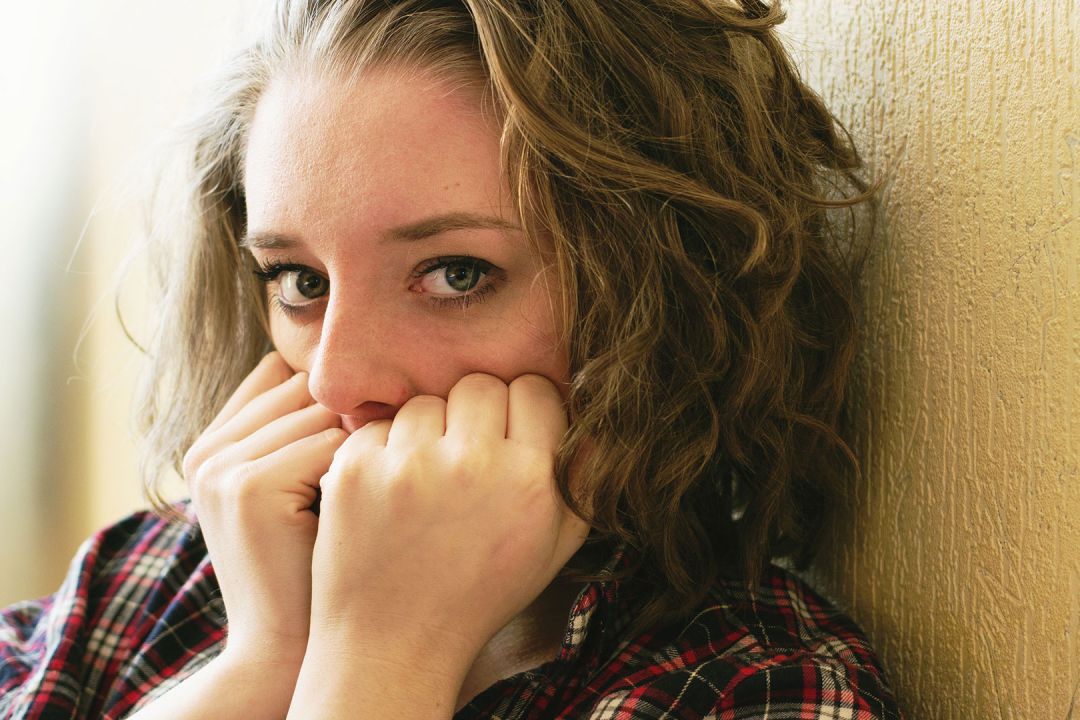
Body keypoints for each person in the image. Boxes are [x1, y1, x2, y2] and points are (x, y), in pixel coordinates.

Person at [0, 0, 904, 717]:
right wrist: (264, 661)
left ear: (665, 289)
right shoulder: (153, 579)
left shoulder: (751, 688)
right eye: (299, 281)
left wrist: (380, 662)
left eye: (456, 274)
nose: (337, 379)